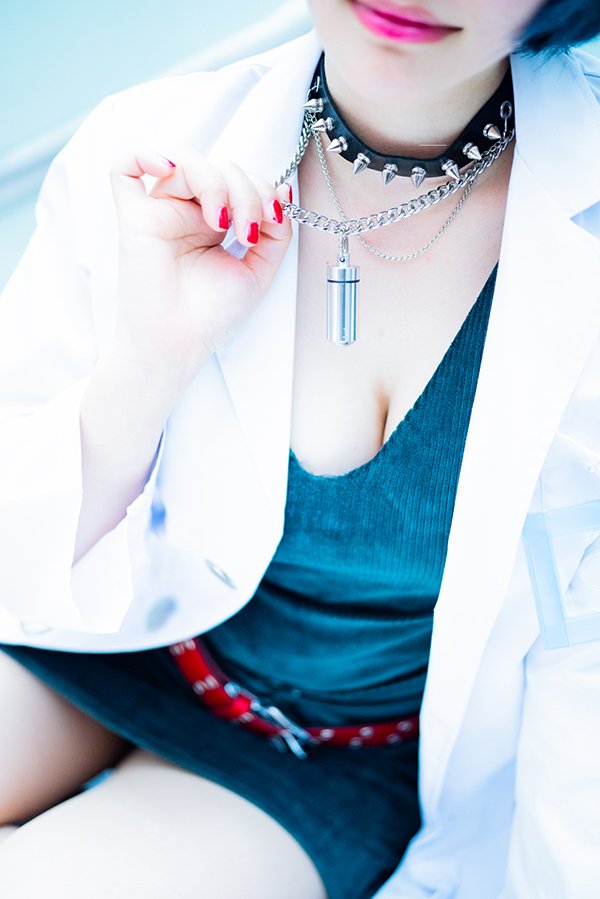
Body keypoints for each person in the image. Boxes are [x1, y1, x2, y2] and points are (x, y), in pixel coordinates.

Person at [0, 0, 599, 896]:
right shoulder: (148, 149)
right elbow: (16, 554)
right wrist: (145, 367)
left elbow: (585, 675)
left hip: (325, 754)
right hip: (103, 633)